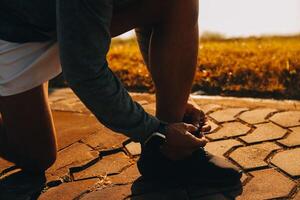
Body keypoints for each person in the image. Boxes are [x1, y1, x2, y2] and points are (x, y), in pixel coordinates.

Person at [0, 0, 241, 184]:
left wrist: (176, 100)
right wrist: (154, 131)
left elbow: (150, 15)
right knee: (38, 157)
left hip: (61, 20)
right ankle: (167, 142)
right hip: (14, 34)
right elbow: (84, 71)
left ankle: (170, 156)